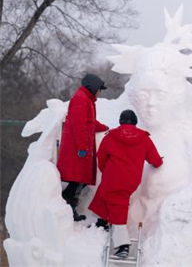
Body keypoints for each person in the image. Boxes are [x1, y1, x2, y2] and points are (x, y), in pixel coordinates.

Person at [89, 109, 163, 260]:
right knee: (107, 195)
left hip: (112, 176)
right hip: (131, 180)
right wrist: (158, 162)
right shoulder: (144, 139)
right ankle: (102, 220)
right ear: (135, 122)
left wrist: (107, 171)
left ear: (120, 122)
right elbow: (155, 159)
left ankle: (123, 246)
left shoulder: (111, 137)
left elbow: (101, 158)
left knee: (117, 206)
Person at [57, 73, 109, 221]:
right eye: (99, 89)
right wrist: (81, 147)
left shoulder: (86, 99)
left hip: (81, 147)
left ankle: (70, 206)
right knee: (78, 178)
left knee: (81, 178)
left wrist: (104, 127)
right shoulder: (81, 99)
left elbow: (89, 122)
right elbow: (79, 125)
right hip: (76, 149)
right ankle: (67, 205)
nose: (100, 92)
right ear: (92, 87)